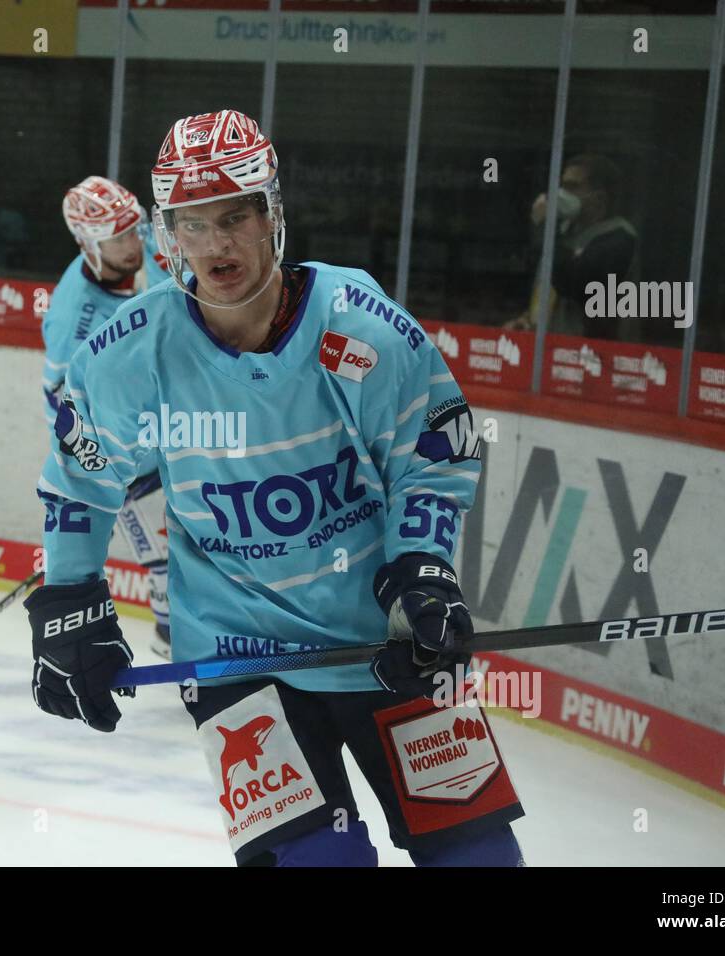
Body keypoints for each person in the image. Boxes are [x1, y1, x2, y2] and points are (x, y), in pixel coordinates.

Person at [26, 110, 524, 866]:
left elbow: (431, 451)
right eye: (193, 224)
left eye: (236, 217)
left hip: (385, 642)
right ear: (170, 235)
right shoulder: (131, 349)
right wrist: (70, 601)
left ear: (272, 217)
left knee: (480, 860)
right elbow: (80, 475)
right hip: (235, 658)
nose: (217, 244)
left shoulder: (357, 326)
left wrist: (423, 569)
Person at [41, 175, 172, 657]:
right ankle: (174, 642)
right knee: (167, 569)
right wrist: (102, 472)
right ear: (86, 242)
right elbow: (61, 406)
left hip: (194, 424)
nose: (131, 241)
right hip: (136, 456)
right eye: (117, 236)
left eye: (133, 228)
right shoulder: (73, 315)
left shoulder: (153, 241)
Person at [508, 153, 637, 339]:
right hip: (547, 348)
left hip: (586, 354)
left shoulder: (619, 238)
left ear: (599, 198)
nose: (561, 194)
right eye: (561, 186)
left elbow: (572, 283)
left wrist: (546, 225)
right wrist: (530, 321)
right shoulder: (564, 233)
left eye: (572, 187)